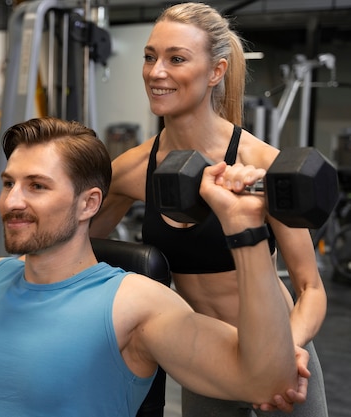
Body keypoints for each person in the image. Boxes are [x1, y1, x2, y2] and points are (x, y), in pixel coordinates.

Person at [0, 116, 301, 417]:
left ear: (89, 203)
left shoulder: (133, 304)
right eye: (10, 183)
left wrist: (244, 230)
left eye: (37, 186)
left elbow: (263, 381)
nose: (12, 201)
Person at [89, 3, 329, 416]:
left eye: (176, 59)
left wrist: (284, 353)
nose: (155, 72)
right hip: (207, 364)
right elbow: (80, 246)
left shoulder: (261, 164)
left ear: (215, 71)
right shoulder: (132, 169)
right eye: (150, 57)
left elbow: (311, 289)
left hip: (284, 356)